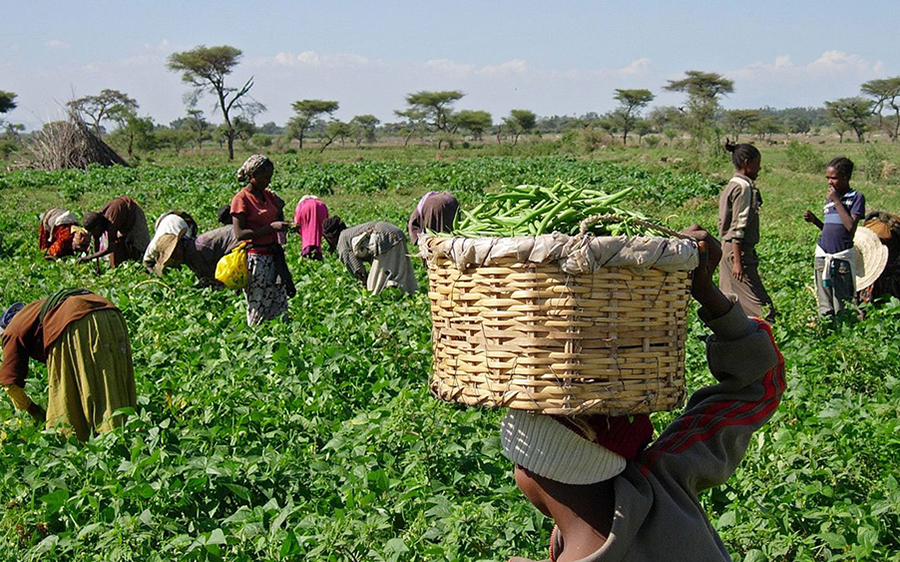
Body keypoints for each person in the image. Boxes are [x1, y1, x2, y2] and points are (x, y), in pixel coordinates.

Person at [502, 226, 785, 562]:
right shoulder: (661, 482)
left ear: (533, 467)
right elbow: (758, 385)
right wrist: (706, 292)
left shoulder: (662, 478)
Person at [0, 289, 137, 442]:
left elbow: (10, 383)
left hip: (74, 320)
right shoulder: (33, 311)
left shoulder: (12, 331)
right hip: (110, 313)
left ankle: (94, 444)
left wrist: (33, 409)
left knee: (67, 401)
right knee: (110, 379)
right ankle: (125, 434)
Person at [230, 155, 294, 325]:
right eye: (265, 177)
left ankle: (280, 341)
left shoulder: (268, 196)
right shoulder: (241, 199)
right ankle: (256, 342)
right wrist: (270, 228)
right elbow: (240, 234)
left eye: (270, 177)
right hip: (256, 260)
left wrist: (281, 210)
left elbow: (276, 217)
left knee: (279, 303)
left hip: (274, 256)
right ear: (253, 175)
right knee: (258, 305)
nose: (268, 181)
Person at [717, 141, 776, 324]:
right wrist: (738, 261)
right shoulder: (744, 188)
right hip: (737, 251)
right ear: (746, 163)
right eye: (757, 164)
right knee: (763, 308)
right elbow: (738, 226)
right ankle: (769, 336)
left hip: (727, 249)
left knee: (730, 300)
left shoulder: (732, 184)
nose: (759, 168)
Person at [803, 157, 865, 318]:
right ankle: (825, 331)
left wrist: (837, 201)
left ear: (846, 177)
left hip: (841, 257)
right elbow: (829, 229)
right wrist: (815, 221)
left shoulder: (856, 198)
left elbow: (850, 227)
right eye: (828, 178)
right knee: (825, 303)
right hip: (823, 254)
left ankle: (842, 332)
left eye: (834, 178)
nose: (830, 182)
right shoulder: (829, 200)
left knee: (841, 302)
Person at [323, 217, 418, 295]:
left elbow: (356, 267)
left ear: (330, 237)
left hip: (383, 236)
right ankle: (409, 293)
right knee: (400, 271)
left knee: (374, 287)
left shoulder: (342, 241)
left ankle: (379, 302)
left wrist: (363, 280)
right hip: (396, 231)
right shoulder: (349, 232)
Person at [148, 225, 238, 286]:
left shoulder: (195, 251)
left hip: (238, 242)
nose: (174, 258)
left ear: (179, 245)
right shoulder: (188, 252)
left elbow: (212, 277)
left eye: (173, 253)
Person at [79, 196, 151, 268]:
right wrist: (97, 266)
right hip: (123, 220)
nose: (93, 234)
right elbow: (96, 241)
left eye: (94, 231)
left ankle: (146, 266)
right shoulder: (99, 221)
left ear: (98, 227)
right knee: (121, 244)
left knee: (141, 247)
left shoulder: (111, 223)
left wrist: (88, 258)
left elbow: (110, 248)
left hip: (134, 214)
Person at [294, 195, 329, 260]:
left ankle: (307, 251)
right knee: (318, 228)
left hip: (305, 208)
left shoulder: (301, 205)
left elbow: (297, 223)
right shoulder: (321, 204)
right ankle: (317, 251)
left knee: (307, 232)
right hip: (321, 208)